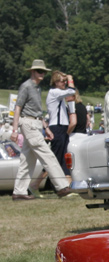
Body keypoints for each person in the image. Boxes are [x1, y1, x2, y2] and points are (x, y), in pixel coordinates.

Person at [11, 59, 72, 200]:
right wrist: (14, 131)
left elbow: (38, 112)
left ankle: (19, 192)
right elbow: (18, 108)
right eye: (39, 71)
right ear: (32, 72)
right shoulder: (26, 86)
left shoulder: (38, 88)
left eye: (44, 72)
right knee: (47, 155)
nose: (42, 74)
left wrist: (46, 127)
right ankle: (62, 186)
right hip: (28, 123)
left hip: (37, 123)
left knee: (27, 160)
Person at [45, 71, 76, 177]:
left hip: (62, 127)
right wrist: (70, 78)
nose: (65, 83)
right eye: (63, 81)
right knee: (56, 156)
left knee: (64, 157)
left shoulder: (59, 95)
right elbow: (72, 91)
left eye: (66, 81)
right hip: (57, 128)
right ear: (56, 82)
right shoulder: (54, 92)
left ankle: (66, 183)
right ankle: (39, 182)